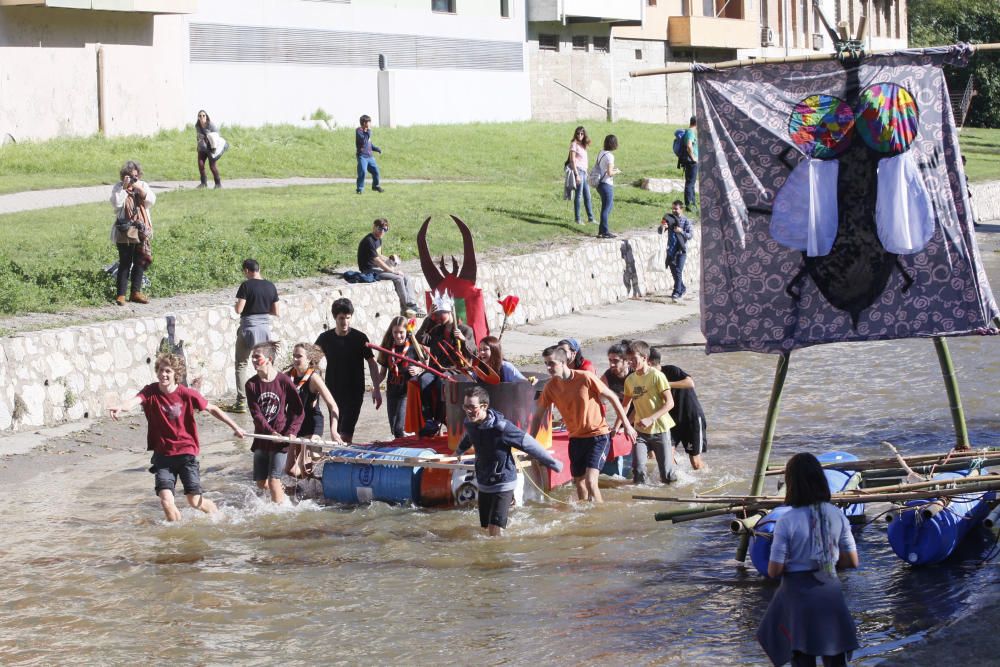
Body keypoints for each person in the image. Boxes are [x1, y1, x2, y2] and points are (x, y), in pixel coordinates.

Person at [108, 353, 244, 522]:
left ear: (176, 374)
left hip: (186, 454)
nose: (163, 374)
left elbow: (213, 409)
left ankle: (220, 516)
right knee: (166, 502)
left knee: (194, 501)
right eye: (160, 370)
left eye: (168, 371)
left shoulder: (187, 394)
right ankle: (177, 542)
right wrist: (121, 406)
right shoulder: (150, 391)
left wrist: (236, 427)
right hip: (163, 457)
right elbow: (134, 401)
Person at [757, 452, 860, 667]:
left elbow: (774, 570)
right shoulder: (836, 514)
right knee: (835, 656)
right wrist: (827, 561)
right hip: (830, 592)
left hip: (798, 598)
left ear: (791, 484)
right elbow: (852, 561)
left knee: (802, 656)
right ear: (821, 480)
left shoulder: (787, 520)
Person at [532, 345, 635, 503]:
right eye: (546, 363)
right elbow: (538, 416)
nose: (548, 367)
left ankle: (600, 518)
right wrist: (531, 443)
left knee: (591, 482)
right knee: (579, 483)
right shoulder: (550, 387)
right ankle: (586, 517)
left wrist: (627, 425)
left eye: (551, 363)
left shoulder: (585, 377)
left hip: (598, 436)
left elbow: (613, 397)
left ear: (563, 362)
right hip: (575, 438)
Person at [457, 386, 563, 536]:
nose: (468, 411)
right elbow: (469, 437)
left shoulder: (502, 428)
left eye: (472, 407)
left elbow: (528, 443)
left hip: (503, 480)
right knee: (485, 527)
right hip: (484, 481)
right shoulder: (470, 423)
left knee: (494, 529)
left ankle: (498, 557)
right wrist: (458, 451)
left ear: (484, 406)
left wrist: (553, 463)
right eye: (465, 406)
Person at [314, 297, 382, 442]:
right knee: (336, 433)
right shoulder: (325, 338)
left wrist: (376, 388)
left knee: (345, 434)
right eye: (341, 318)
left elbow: (372, 362)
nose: (344, 322)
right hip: (333, 391)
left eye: (347, 318)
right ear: (335, 318)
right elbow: (313, 362)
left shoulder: (359, 338)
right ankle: (340, 461)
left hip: (355, 392)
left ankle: (343, 459)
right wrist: (314, 389)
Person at [245, 341, 304, 503]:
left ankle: (282, 518)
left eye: (258, 357)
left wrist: (291, 432)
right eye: (252, 358)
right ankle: (285, 495)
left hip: (281, 440)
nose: (254, 361)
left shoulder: (283, 381)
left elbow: (298, 410)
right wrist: (270, 433)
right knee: (261, 483)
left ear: (269, 359)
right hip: (262, 438)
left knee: (273, 481)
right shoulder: (251, 385)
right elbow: (256, 415)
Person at [615, 340, 676, 485]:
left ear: (644, 358)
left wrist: (650, 419)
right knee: (638, 470)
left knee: (666, 475)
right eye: (629, 360)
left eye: (634, 359)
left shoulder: (657, 376)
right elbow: (625, 405)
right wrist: (618, 426)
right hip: (639, 431)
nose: (631, 363)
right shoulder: (630, 379)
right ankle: (640, 501)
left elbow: (670, 403)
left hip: (660, 430)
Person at [414, 292, 476, 432]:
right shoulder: (436, 330)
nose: (439, 316)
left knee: (442, 382)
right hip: (436, 368)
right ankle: (428, 419)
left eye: (442, 312)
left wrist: (463, 340)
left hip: (455, 369)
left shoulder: (465, 330)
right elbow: (420, 338)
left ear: (450, 312)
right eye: (438, 313)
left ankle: (439, 418)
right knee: (423, 379)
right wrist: (428, 318)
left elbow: (474, 352)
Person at [227, 259, 281, 414]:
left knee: (242, 364)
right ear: (259, 268)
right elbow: (276, 311)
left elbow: (239, 309)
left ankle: (241, 402)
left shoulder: (246, 285)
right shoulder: (270, 286)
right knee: (265, 363)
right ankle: (270, 393)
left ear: (246, 270)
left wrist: (239, 306)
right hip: (264, 329)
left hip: (248, 328)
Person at [648, 347, 708, 470]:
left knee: (695, 462)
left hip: (691, 419)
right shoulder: (647, 379)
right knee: (667, 458)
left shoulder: (671, 370)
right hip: (671, 422)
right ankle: (677, 481)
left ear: (648, 362)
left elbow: (690, 383)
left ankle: (704, 479)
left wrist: (665, 384)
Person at [109, 160, 155, 306]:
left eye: (135, 176)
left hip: (141, 229)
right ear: (123, 176)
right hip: (125, 230)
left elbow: (151, 201)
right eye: (129, 176)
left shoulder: (142, 185)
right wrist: (124, 188)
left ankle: (136, 292)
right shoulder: (118, 187)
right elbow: (116, 205)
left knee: (140, 261)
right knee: (125, 262)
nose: (132, 178)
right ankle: (121, 295)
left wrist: (138, 187)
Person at [357, 218, 424, 317]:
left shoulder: (378, 240)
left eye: (385, 230)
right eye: (380, 229)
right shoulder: (369, 241)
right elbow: (377, 260)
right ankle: (407, 307)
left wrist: (390, 260)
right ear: (374, 227)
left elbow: (379, 256)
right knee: (398, 278)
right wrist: (392, 271)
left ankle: (412, 304)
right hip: (369, 270)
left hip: (377, 268)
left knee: (407, 277)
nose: (382, 232)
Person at [377, 316, 422, 438]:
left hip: (406, 392)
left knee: (399, 427)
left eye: (401, 332)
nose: (398, 336)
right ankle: (401, 448)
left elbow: (425, 364)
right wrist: (375, 388)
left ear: (406, 331)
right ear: (391, 332)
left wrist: (418, 369)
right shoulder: (387, 348)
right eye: (395, 332)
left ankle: (405, 447)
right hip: (392, 391)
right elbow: (382, 373)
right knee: (394, 429)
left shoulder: (414, 347)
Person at [600, 340, 632, 477]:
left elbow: (627, 405)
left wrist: (619, 426)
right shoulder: (608, 376)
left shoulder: (634, 375)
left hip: (642, 411)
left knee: (649, 451)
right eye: (610, 360)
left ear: (627, 362)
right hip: (623, 412)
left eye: (616, 361)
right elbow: (598, 399)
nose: (612, 364)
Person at [659, 200, 695, 302]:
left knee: (678, 271)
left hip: (681, 251)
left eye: (676, 208)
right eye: (673, 208)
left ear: (681, 209)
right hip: (671, 250)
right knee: (674, 272)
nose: (674, 210)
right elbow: (659, 230)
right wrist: (663, 226)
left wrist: (681, 231)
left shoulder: (686, 221)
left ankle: (677, 291)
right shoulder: (669, 219)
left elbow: (690, 235)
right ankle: (682, 288)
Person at [594, 134, 621, 239]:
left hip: (600, 183)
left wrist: (612, 171)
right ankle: (605, 232)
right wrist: (617, 172)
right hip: (606, 184)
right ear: (614, 144)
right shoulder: (610, 156)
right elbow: (609, 173)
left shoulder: (601, 153)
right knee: (606, 208)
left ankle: (601, 231)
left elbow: (603, 169)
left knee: (608, 206)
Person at [567, 125, 595, 225]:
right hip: (578, 171)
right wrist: (576, 174)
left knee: (587, 195)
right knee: (579, 196)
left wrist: (587, 172)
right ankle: (578, 219)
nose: (580, 135)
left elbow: (584, 160)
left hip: (584, 172)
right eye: (578, 133)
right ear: (575, 134)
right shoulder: (574, 144)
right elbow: (572, 160)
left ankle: (591, 218)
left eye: (582, 133)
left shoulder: (583, 145)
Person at [195, 109, 225, 189]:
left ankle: (218, 184)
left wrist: (210, 137)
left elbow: (217, 134)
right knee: (200, 165)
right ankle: (203, 183)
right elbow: (198, 137)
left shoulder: (210, 124)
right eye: (200, 116)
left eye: (203, 115)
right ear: (198, 117)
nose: (202, 117)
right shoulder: (197, 125)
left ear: (206, 116)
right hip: (201, 148)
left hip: (210, 148)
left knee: (212, 166)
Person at [355, 114, 383, 194]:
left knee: (376, 171)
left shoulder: (367, 132)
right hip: (362, 156)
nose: (370, 123)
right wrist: (369, 131)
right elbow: (364, 141)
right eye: (369, 122)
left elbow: (369, 144)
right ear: (364, 123)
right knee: (363, 171)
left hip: (370, 157)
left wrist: (376, 149)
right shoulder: (359, 131)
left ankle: (375, 186)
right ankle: (360, 189)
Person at [681, 116, 699, 212]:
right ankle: (689, 205)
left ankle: (693, 203)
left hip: (691, 161)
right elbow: (689, 145)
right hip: (691, 161)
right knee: (690, 183)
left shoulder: (690, 132)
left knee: (691, 183)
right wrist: (694, 158)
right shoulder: (690, 132)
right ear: (696, 123)